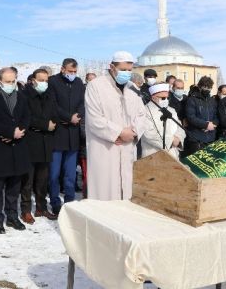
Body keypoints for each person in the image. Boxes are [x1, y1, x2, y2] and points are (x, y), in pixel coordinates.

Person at [84, 51, 147, 201]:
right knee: (105, 191)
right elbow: (94, 118)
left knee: (126, 191)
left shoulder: (132, 88)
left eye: (130, 70)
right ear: (112, 67)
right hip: (106, 148)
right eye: (123, 69)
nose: (127, 73)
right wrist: (118, 132)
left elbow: (142, 115)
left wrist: (133, 132)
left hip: (127, 147)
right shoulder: (96, 86)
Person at [0, 67, 31, 234]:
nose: (11, 84)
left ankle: (12, 216)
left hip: (18, 146)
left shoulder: (21, 96)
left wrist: (19, 132)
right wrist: (9, 132)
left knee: (14, 187)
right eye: (7, 81)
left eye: (13, 81)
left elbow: (27, 117)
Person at [48, 58, 85, 215]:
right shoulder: (53, 82)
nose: (73, 74)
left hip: (73, 134)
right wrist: (69, 117)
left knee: (70, 173)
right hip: (58, 133)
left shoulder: (78, 83)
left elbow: (83, 103)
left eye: (75, 71)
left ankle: (69, 201)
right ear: (63, 69)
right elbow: (52, 105)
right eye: (70, 71)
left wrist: (78, 115)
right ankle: (55, 201)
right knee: (54, 173)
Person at [21, 68, 57, 223]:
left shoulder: (50, 95)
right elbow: (26, 118)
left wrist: (53, 123)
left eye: (46, 80)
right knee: (27, 181)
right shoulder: (25, 95)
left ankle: (41, 208)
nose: (44, 83)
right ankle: (26, 210)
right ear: (33, 80)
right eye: (41, 80)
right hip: (31, 142)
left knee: (43, 180)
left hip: (46, 142)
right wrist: (44, 125)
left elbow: (55, 113)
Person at [140, 84, 185, 159]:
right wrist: (171, 140)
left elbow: (180, 127)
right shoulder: (145, 111)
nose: (166, 100)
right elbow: (149, 135)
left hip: (173, 153)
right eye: (163, 98)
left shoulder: (171, 110)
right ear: (153, 97)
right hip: (153, 155)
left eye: (168, 98)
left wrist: (178, 139)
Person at [184, 76, 218, 158]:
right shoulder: (192, 99)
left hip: (210, 137)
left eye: (209, 87)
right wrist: (205, 125)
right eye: (205, 87)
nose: (207, 89)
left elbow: (216, 116)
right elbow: (191, 117)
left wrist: (213, 124)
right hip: (196, 138)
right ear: (199, 87)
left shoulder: (212, 100)